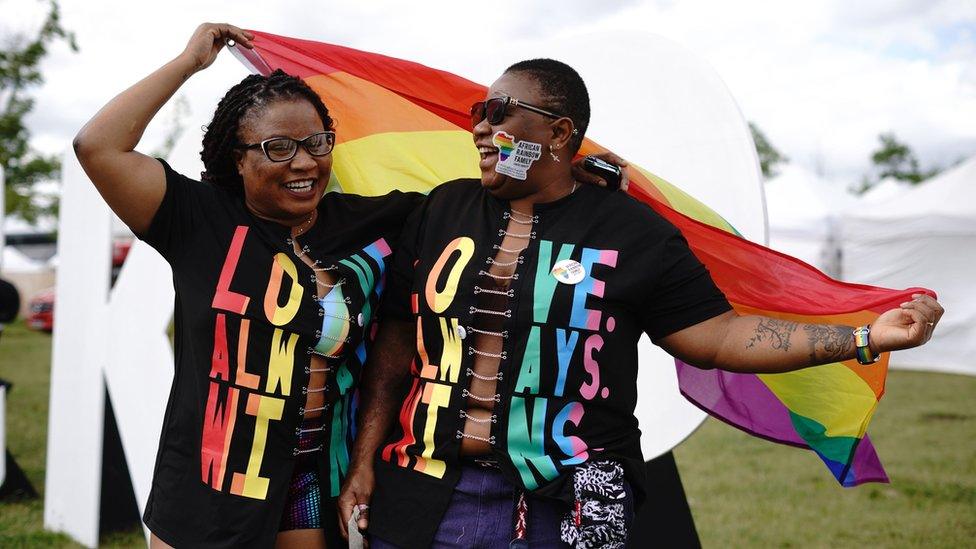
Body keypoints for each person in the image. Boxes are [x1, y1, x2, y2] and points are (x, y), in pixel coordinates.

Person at [337, 58, 944, 548]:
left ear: (558, 132)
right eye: (477, 111)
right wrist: (364, 460)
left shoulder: (632, 231)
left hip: (577, 495)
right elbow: (393, 349)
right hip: (425, 489)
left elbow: (720, 335)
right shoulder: (443, 208)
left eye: (497, 112)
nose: (477, 126)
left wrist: (865, 338)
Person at [73, 24, 426, 548]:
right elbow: (97, 145)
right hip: (208, 482)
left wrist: (583, 180)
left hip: (309, 478)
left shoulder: (373, 220)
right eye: (278, 147)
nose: (304, 162)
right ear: (238, 159)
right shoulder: (197, 220)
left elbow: (482, 202)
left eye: (316, 143)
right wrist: (187, 63)